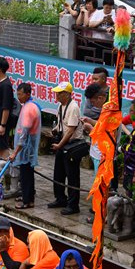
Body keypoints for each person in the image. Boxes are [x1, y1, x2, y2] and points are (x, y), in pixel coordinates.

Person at [49, 81, 89, 215]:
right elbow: (62, 124)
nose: (57, 96)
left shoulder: (73, 107)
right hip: (62, 143)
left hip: (72, 145)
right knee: (58, 174)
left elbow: (71, 130)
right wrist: (55, 130)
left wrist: (59, 145)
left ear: (67, 94)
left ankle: (73, 205)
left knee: (72, 177)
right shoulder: (60, 106)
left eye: (59, 94)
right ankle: (60, 198)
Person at [9, 82, 41, 209]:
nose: (19, 97)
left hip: (27, 148)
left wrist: (15, 153)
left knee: (26, 174)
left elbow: (24, 133)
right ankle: (27, 196)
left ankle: (27, 201)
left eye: (21, 94)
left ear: (28, 94)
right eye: (17, 94)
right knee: (27, 173)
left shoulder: (29, 109)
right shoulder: (30, 105)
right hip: (27, 147)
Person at [80, 83, 108, 183]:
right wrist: (90, 120)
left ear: (100, 98)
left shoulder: (109, 111)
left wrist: (91, 129)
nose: (92, 106)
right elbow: (102, 125)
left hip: (102, 154)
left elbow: (106, 135)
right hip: (97, 152)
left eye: (93, 102)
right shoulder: (105, 109)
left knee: (101, 183)